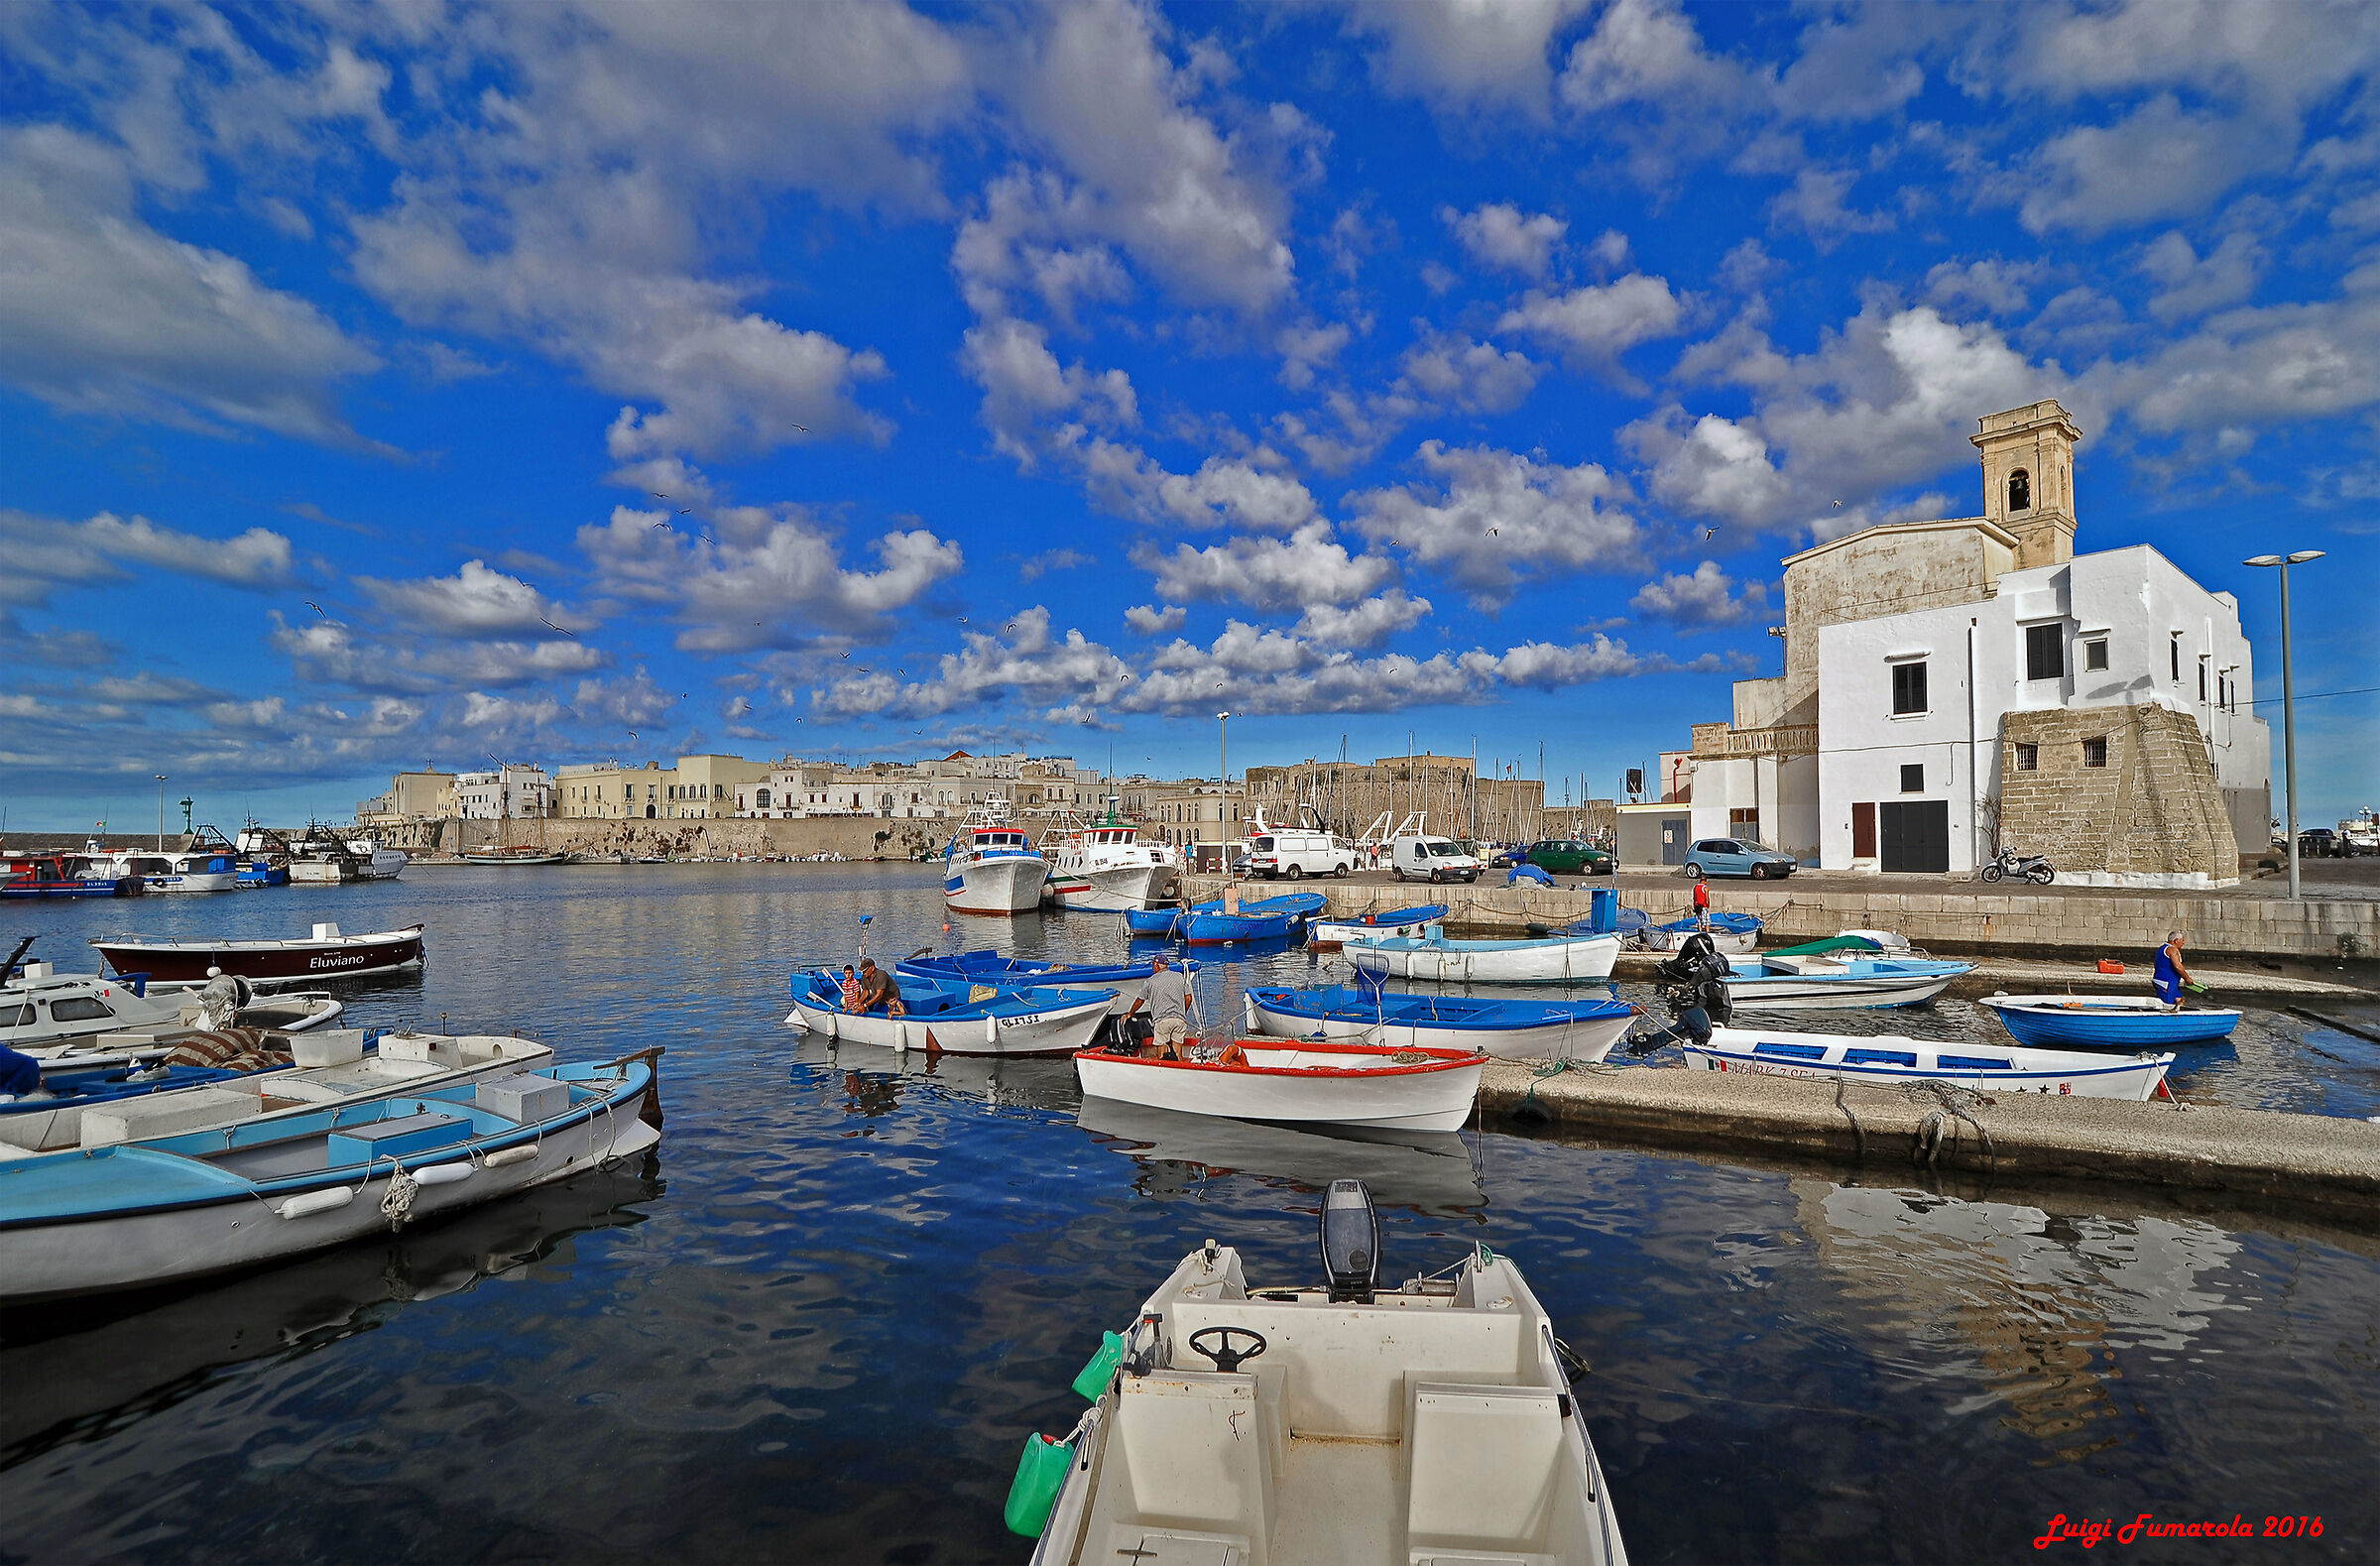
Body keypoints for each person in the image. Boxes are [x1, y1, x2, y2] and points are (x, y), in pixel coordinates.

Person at [1126, 952, 1193, 1058]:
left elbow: (1140, 1000)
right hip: (1179, 1019)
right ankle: (1180, 1069)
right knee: (1178, 1052)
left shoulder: (1150, 981)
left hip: (1162, 1020)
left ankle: (1163, 1071)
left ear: (1156, 965)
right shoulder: (1179, 977)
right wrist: (1182, 1013)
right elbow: (1188, 998)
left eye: (1153, 965)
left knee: (1161, 1053)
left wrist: (1130, 1013)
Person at [2153, 930, 2193, 1013]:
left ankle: (2180, 1018)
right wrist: (2187, 978)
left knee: (2180, 1000)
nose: (2183, 943)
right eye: (2182, 940)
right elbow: (2177, 966)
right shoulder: (2172, 950)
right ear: (2176, 941)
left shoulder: (2161, 948)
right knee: (2168, 1006)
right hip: (2166, 983)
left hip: (2161, 980)